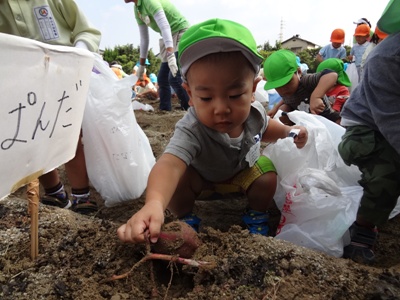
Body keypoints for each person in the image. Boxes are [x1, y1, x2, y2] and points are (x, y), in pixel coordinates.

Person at [117, 18, 308, 244]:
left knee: (267, 174)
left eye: (235, 95)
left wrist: (288, 131)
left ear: (253, 90)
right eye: (206, 98)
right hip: (202, 181)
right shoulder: (192, 128)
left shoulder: (254, 114)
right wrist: (154, 203)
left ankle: (256, 215)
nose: (221, 109)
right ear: (189, 94)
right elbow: (169, 164)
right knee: (178, 179)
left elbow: (268, 128)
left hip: (240, 175)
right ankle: (186, 217)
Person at [0, 0, 101, 214]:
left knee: (70, 134)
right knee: (33, 139)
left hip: (64, 76)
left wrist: (77, 53)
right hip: (20, 84)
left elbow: (86, 30)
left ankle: (81, 195)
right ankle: (55, 193)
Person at [338, 0, 400, 264]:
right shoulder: (386, 58)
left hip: (389, 121)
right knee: (388, 173)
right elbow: (391, 120)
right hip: (365, 126)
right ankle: (362, 230)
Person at [124, 0, 190, 111]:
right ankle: (165, 109)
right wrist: (142, 65)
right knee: (162, 78)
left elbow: (165, 26)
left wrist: (170, 54)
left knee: (174, 77)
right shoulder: (137, 9)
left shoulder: (149, 1)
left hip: (180, 32)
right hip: (167, 38)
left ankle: (190, 108)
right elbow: (144, 38)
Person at [264, 49, 341, 125]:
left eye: (287, 82)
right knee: (282, 110)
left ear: (299, 72)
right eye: (278, 86)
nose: (283, 89)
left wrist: (316, 96)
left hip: (324, 117)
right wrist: (275, 108)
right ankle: (290, 132)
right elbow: (285, 99)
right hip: (303, 122)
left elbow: (331, 74)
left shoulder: (305, 81)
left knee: (340, 120)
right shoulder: (285, 92)